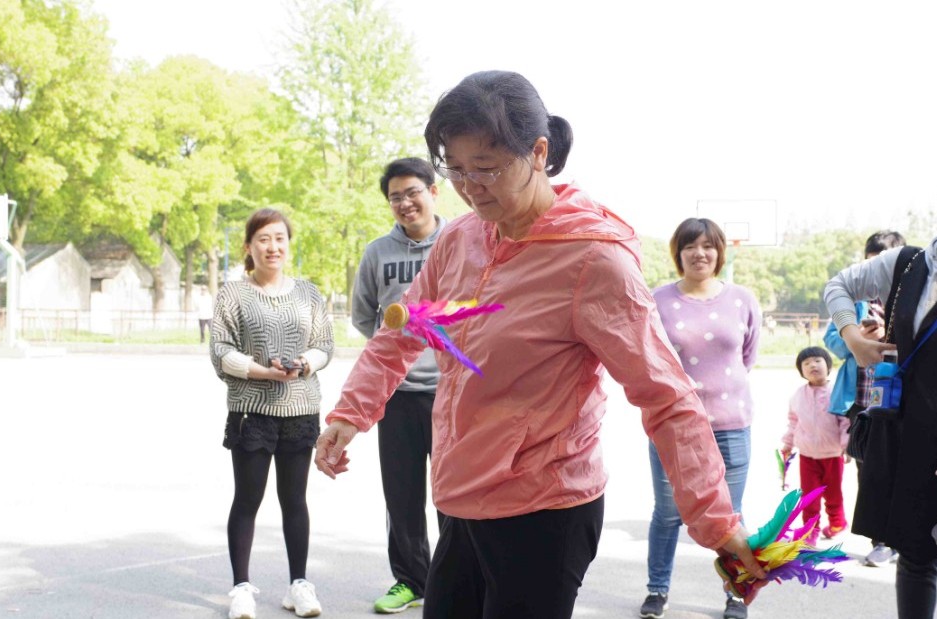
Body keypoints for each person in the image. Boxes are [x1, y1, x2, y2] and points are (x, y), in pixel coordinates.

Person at [313, 70, 765, 619]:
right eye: (455, 170)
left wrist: (717, 521)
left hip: (543, 510)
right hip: (462, 496)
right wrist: (352, 412)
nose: (470, 187)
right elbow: (404, 329)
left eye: (486, 169)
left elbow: (665, 396)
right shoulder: (459, 240)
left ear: (538, 152)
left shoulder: (593, 262)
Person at [209, 208, 334, 619]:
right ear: (249, 247)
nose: (273, 246)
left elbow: (324, 345)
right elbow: (221, 350)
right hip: (252, 411)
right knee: (248, 498)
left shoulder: (309, 294)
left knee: (294, 499)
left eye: (280, 238)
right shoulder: (233, 293)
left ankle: (299, 584)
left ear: (288, 244)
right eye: (263, 239)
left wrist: (304, 363)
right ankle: (241, 588)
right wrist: (263, 371)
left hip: (300, 408)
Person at [641, 218, 762, 619]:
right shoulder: (657, 299)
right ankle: (657, 590)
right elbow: (649, 358)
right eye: (691, 246)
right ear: (678, 252)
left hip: (731, 424)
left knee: (732, 514)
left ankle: (736, 592)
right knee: (668, 512)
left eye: (708, 246)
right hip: (674, 426)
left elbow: (747, 356)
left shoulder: (742, 299)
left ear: (719, 252)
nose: (700, 253)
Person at [351, 157, 448, 614]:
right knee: (403, 495)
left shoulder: (459, 242)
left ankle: (457, 580)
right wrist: (392, 361)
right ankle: (411, 580)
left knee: (456, 493)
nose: (405, 202)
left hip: (454, 393)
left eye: (413, 192)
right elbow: (363, 314)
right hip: (398, 394)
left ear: (434, 191)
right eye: (395, 197)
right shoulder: (377, 253)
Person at [824, 236, 937, 618]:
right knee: (917, 554)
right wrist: (852, 336)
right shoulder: (909, 263)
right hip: (911, 438)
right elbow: (838, 286)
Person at [823, 229, 905, 567]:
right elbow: (834, 342)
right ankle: (880, 539)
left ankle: (902, 534)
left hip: (902, 397)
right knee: (867, 468)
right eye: (872, 263)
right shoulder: (854, 301)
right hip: (863, 400)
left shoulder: (912, 294)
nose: (878, 272)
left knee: (905, 467)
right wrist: (857, 336)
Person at [780, 346, 848, 546]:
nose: (812, 365)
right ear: (802, 371)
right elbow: (793, 421)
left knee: (833, 495)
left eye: (817, 361)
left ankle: (837, 523)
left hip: (833, 454)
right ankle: (809, 531)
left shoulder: (837, 392)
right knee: (809, 497)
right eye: (806, 363)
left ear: (828, 365)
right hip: (807, 455)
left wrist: (846, 445)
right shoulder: (798, 395)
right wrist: (787, 443)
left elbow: (845, 421)